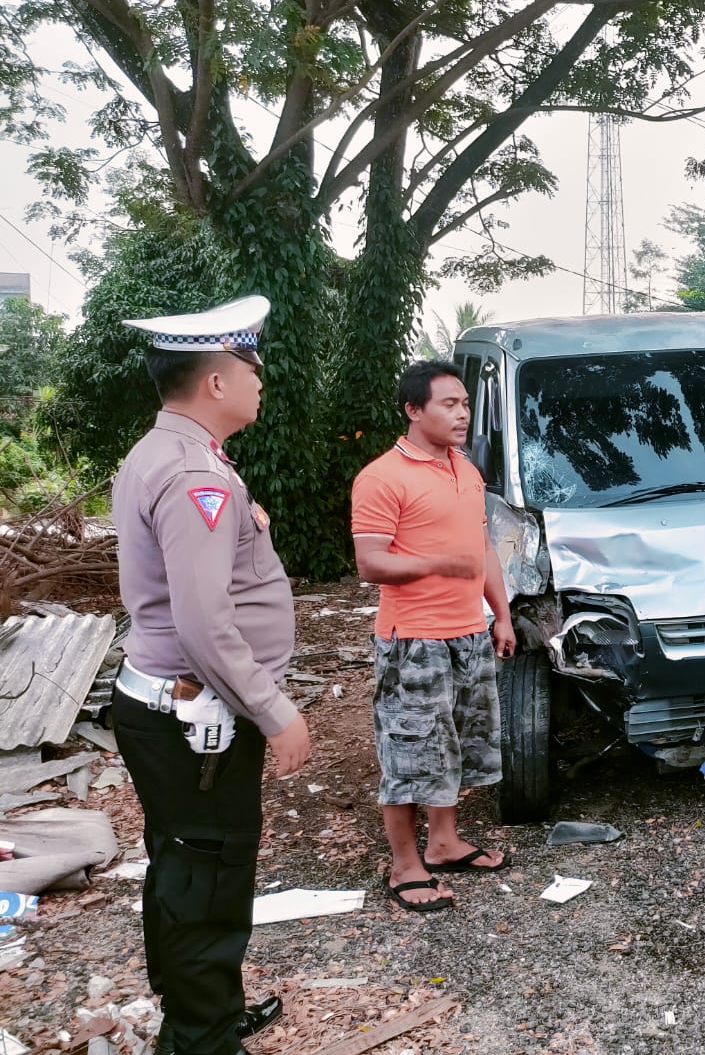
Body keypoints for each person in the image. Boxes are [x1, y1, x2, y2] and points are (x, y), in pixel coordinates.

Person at [111, 295, 310, 1055]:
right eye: (251, 368)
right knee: (209, 877)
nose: (261, 382)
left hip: (170, 709)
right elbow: (202, 622)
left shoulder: (160, 454)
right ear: (217, 382)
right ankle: (203, 1037)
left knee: (182, 861)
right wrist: (274, 710)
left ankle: (201, 1011)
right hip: (199, 717)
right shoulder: (197, 475)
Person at [350, 360, 516, 913]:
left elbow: (484, 549)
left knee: (459, 746)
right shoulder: (382, 477)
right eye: (449, 404)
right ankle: (404, 864)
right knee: (410, 752)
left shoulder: (464, 469)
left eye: (465, 403)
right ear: (413, 410)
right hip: (412, 640)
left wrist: (502, 615)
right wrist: (435, 561)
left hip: (468, 633)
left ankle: (444, 843)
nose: (463, 413)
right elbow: (370, 564)